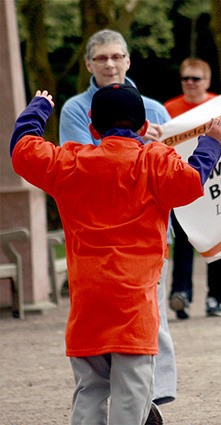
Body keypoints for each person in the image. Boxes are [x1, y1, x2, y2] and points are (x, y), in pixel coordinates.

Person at [10, 85, 221, 424]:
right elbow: (191, 183)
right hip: (134, 302)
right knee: (132, 392)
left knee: (90, 388)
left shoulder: (71, 162)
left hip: (88, 299)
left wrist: (38, 109)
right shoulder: (154, 159)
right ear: (143, 127)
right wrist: (211, 143)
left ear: (92, 127)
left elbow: (22, 150)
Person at [58, 29, 175, 423]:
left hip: (151, 239)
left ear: (128, 60)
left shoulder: (156, 108)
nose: (110, 64)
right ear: (89, 64)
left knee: (151, 325)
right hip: (96, 239)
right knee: (111, 343)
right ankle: (136, 408)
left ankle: (150, 406)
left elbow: (177, 168)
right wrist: (144, 145)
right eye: (102, 58)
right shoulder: (77, 109)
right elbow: (90, 163)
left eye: (117, 57)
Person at [164, 58, 221, 319]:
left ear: (207, 81)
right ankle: (181, 294)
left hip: (219, 184)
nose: (190, 83)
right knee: (183, 240)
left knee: (218, 240)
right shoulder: (169, 109)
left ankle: (216, 296)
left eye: (196, 78)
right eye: (186, 79)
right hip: (184, 182)